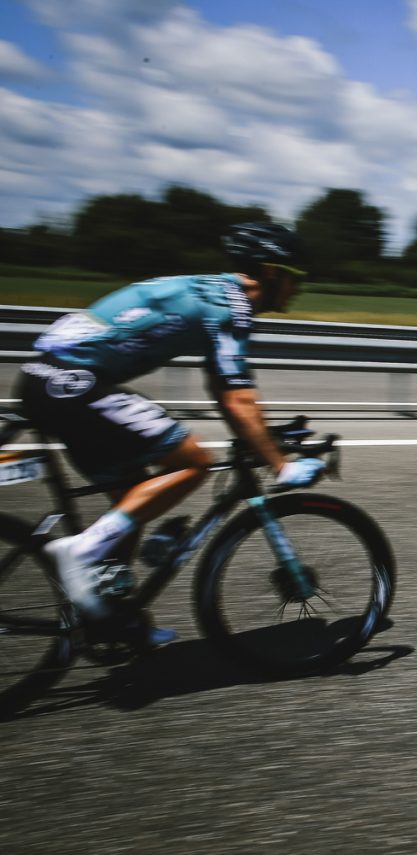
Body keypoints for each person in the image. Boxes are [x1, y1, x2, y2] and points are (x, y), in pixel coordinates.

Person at [17, 223, 325, 629]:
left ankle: (111, 615)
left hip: (45, 378)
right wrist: (281, 465)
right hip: (72, 382)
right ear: (271, 272)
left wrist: (264, 441)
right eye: (295, 277)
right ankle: (78, 553)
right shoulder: (232, 304)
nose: (297, 288)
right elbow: (237, 398)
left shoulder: (208, 289)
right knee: (193, 462)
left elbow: (225, 387)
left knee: (132, 497)